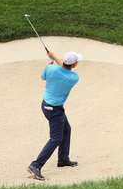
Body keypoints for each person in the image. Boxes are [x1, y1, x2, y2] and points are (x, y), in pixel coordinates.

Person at [27, 50, 83, 180]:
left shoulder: (51, 69)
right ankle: (36, 165)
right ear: (74, 64)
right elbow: (64, 70)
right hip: (55, 110)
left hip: (46, 105)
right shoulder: (73, 78)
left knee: (66, 130)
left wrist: (50, 60)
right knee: (56, 138)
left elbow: (44, 77)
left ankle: (63, 159)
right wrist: (53, 58)